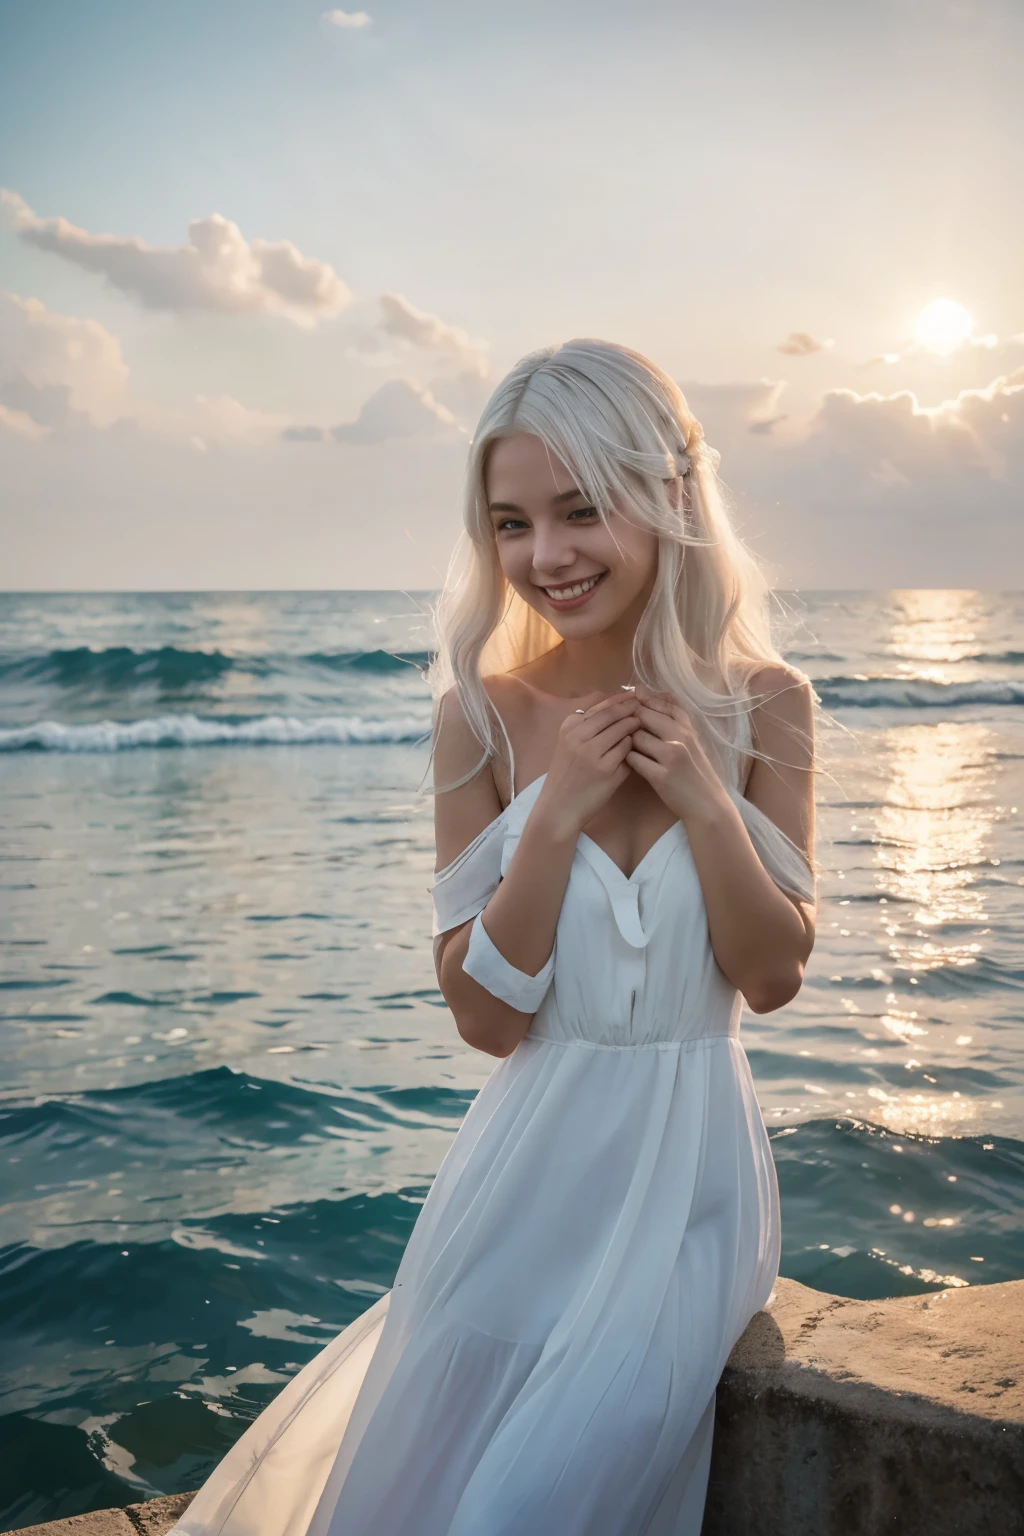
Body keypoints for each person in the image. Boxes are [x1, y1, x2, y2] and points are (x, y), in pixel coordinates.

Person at [172, 339, 817, 1536]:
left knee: (536, 1497)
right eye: (511, 524)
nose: (545, 556)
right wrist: (557, 813)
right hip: (519, 1183)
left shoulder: (766, 704)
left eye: (579, 510)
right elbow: (485, 1017)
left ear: (670, 494)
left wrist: (705, 801)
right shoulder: (478, 717)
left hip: (692, 1190)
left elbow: (770, 975)